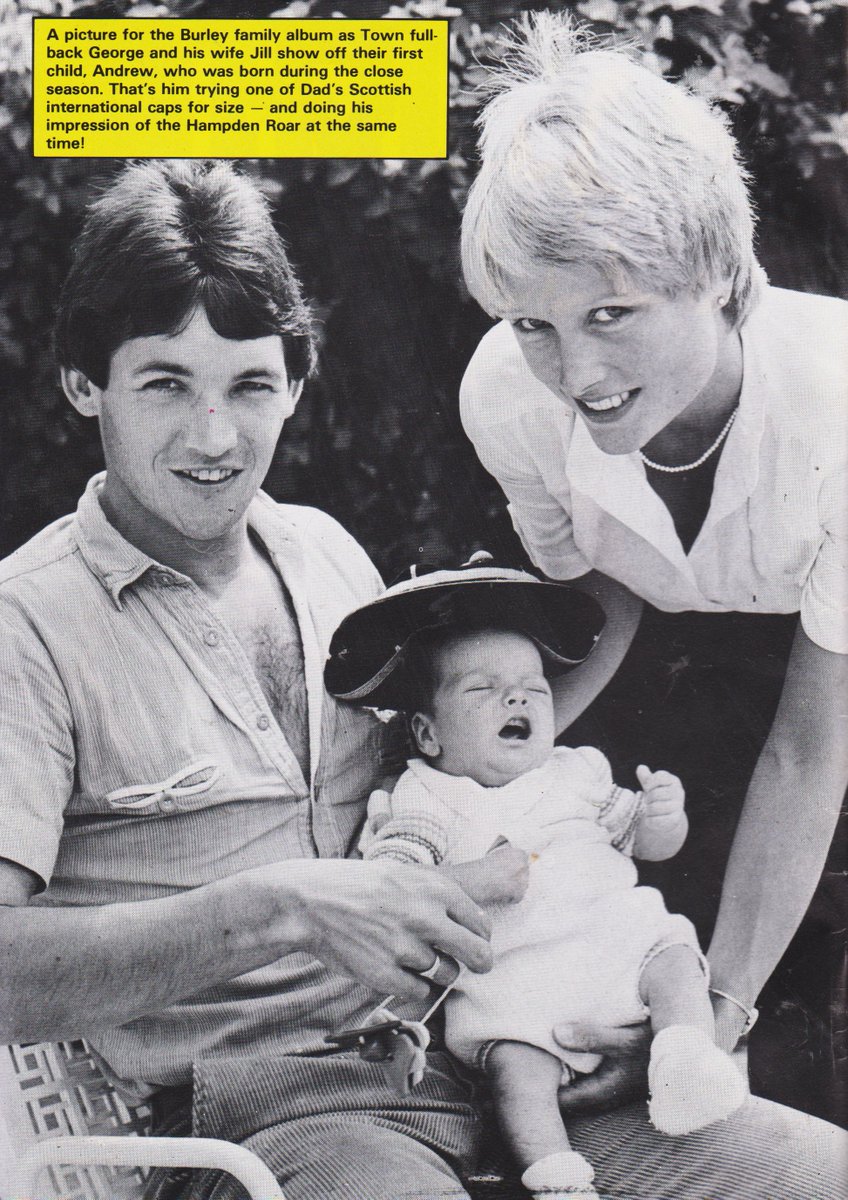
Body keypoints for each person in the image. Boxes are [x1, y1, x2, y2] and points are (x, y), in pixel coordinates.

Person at [0, 158, 843, 1200]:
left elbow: (463, 789)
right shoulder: (26, 624)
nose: (215, 437)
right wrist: (277, 908)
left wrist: (594, 990)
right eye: (165, 384)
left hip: (486, 1071)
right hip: (254, 1121)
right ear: (85, 383)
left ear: (297, 384)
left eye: (251, 385)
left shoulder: (327, 562)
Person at [458, 11, 848, 1118]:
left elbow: (809, 749)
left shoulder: (834, 410)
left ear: (719, 275)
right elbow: (601, 587)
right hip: (714, 682)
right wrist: (491, 775)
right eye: (533, 322)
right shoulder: (504, 392)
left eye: (611, 313)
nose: (573, 369)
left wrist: (713, 1023)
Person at [325, 561, 747, 1200]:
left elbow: (646, 845)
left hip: (617, 952)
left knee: (676, 965)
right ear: (427, 733)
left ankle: (686, 1059)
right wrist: (474, 880)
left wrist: (665, 818)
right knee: (518, 1074)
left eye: (534, 689)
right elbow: (392, 889)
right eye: (482, 689)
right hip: (517, 992)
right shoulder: (426, 797)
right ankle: (557, 1179)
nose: (517, 698)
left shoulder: (575, 772)